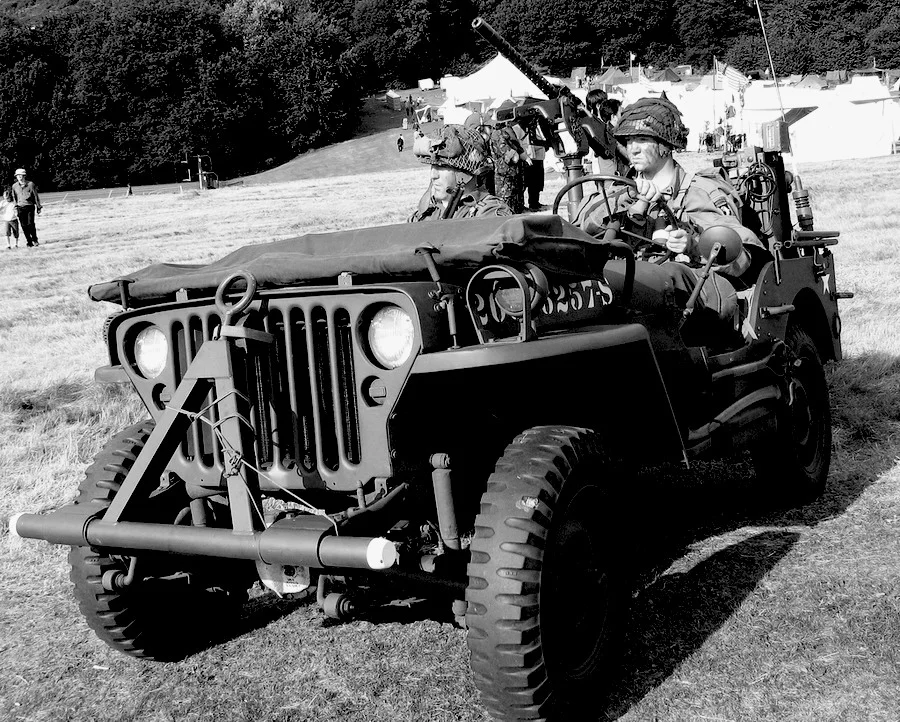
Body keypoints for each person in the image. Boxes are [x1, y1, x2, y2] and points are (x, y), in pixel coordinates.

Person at [573, 96, 765, 325]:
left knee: (668, 274)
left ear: (665, 146)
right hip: (619, 289)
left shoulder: (700, 192)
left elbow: (741, 258)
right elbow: (578, 229)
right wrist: (630, 198)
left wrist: (693, 245)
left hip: (686, 300)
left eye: (642, 139)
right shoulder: (618, 193)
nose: (633, 148)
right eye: (629, 140)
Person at [409, 124, 512, 222]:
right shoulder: (427, 214)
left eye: (441, 167)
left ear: (464, 173)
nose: (433, 175)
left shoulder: (489, 214)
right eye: (433, 166)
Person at [487, 102, 525, 214]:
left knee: (514, 196)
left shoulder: (506, 131)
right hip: (504, 172)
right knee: (506, 198)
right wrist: (516, 152)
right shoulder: (499, 133)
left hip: (509, 171)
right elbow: (508, 153)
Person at [11, 168, 41, 247]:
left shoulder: (30, 184)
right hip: (20, 207)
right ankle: (29, 241)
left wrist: (38, 206)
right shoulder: (14, 186)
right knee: (24, 226)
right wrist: (15, 208)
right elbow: (14, 197)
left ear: (24, 175)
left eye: (21, 175)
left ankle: (35, 239)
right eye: (17, 175)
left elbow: (35, 195)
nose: (19, 177)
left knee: (30, 224)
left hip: (30, 206)